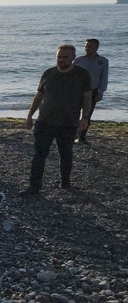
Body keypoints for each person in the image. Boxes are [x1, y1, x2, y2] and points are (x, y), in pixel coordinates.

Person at [21, 44, 91, 196]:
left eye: (65, 57)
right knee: (39, 155)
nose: (61, 60)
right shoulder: (48, 73)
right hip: (45, 121)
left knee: (65, 154)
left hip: (68, 122)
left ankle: (65, 182)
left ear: (73, 57)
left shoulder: (82, 74)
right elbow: (39, 95)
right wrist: (29, 115)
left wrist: (85, 118)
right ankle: (34, 186)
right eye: (59, 57)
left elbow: (87, 98)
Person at [72, 38, 109, 144]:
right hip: (78, 91)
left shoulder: (103, 61)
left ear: (96, 47)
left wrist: (101, 92)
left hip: (93, 91)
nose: (87, 49)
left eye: (90, 47)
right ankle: (72, 134)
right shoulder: (79, 60)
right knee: (74, 113)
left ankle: (82, 136)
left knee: (87, 114)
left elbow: (104, 78)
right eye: (86, 46)